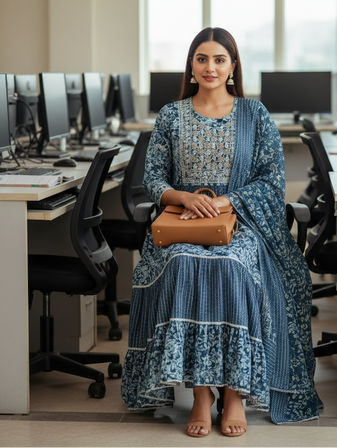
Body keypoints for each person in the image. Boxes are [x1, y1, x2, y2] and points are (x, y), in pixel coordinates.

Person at [121, 27, 321, 437]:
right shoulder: (171, 115)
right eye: (201, 58)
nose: (210, 67)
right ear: (191, 66)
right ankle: (200, 394)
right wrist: (183, 197)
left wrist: (224, 203)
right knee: (182, 262)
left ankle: (233, 394)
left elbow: (271, 181)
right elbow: (153, 177)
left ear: (232, 67)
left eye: (219, 59)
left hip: (242, 224)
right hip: (182, 223)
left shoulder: (255, 114)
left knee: (231, 265)